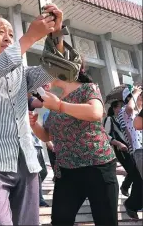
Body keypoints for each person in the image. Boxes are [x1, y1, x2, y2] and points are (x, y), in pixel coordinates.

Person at [0, 4, 68, 225]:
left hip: (25, 161)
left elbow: (56, 70)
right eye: (1, 32)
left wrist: (55, 34)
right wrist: (29, 37)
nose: (8, 37)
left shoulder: (23, 72)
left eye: (11, 33)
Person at [29, 66, 118, 226]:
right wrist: (34, 125)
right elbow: (48, 135)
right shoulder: (56, 98)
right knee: (60, 220)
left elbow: (95, 112)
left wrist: (60, 106)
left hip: (97, 166)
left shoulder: (88, 89)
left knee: (106, 220)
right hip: (67, 170)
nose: (45, 75)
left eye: (50, 68)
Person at [118, 86, 143, 220]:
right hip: (138, 151)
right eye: (141, 96)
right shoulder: (125, 111)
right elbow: (129, 108)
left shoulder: (138, 112)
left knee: (139, 182)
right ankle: (131, 204)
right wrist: (136, 91)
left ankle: (132, 205)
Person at [104, 100, 133, 197]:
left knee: (135, 170)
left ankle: (125, 186)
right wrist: (118, 143)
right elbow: (105, 135)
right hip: (120, 149)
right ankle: (125, 187)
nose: (123, 108)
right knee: (133, 170)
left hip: (129, 148)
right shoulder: (109, 119)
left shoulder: (123, 119)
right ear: (114, 108)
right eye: (120, 106)